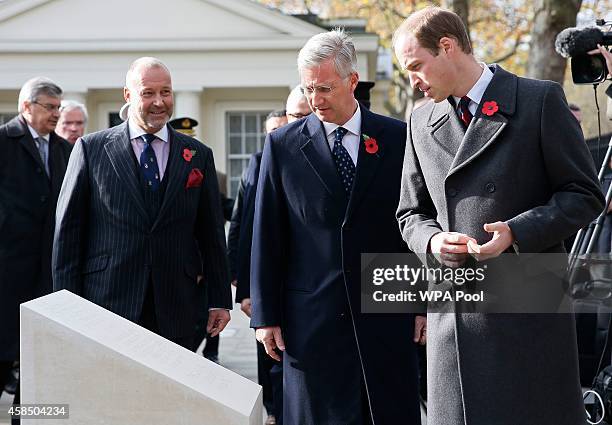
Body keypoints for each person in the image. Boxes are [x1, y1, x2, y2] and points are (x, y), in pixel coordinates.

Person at [393, 7, 604, 425]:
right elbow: (410, 214)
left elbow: (584, 194)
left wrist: (517, 232)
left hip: (528, 321)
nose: (413, 80)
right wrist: (433, 241)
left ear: (448, 47)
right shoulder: (419, 120)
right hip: (454, 325)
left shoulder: (538, 100)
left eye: (416, 65)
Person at [251, 29, 423, 425]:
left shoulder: (399, 138)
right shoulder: (283, 146)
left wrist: (419, 305)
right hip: (310, 318)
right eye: (308, 89)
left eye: (325, 88)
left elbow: (411, 225)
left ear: (351, 81)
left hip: (385, 311)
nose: (316, 100)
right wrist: (265, 315)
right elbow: (268, 234)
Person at [53, 57, 232, 350]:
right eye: (148, 93)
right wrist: (66, 304)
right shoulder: (92, 149)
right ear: (128, 95)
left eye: (166, 92)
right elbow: (69, 234)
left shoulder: (198, 155)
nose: (159, 102)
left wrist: (220, 300)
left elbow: (211, 234)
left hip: (177, 304)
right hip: (107, 301)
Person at [0, 76, 71, 423]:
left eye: (59, 107)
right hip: (6, 273)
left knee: (35, 362)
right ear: (26, 107)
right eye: (50, 107)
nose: (56, 114)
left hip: (46, 276)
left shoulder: (65, 150)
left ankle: (21, 420)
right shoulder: (3, 141)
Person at [228, 109, 287, 425]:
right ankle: (274, 412)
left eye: (281, 129)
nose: (275, 136)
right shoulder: (256, 162)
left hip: (291, 277)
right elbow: (242, 220)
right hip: (257, 273)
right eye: (270, 131)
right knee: (266, 350)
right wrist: (239, 280)